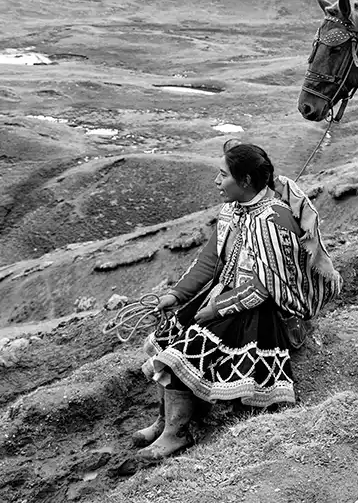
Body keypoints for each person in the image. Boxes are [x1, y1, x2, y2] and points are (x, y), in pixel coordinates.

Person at [132, 141, 341, 461]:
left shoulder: (275, 219)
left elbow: (266, 286)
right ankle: (165, 421)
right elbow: (209, 261)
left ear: (245, 181)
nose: (217, 181)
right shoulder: (232, 210)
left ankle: (177, 434)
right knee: (167, 331)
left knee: (192, 343)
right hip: (227, 293)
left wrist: (217, 308)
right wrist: (176, 295)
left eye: (222, 175)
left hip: (263, 309)